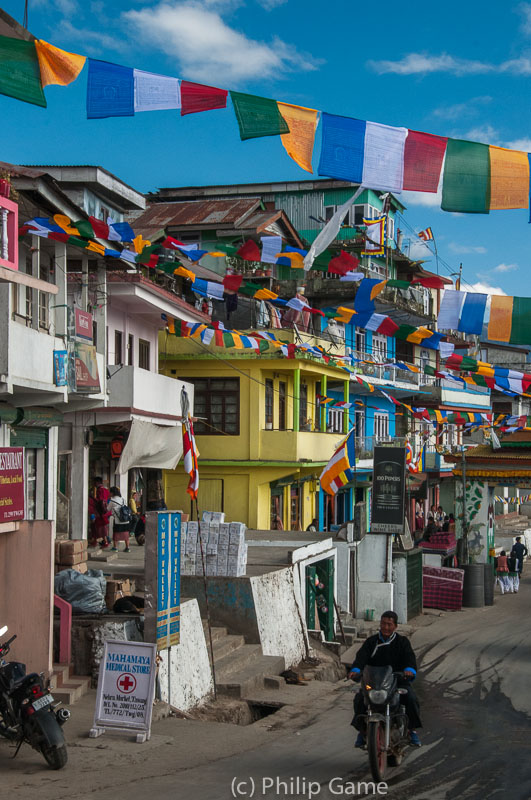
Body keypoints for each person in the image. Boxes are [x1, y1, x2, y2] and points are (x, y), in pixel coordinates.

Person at [348, 610, 422, 748]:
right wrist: (356, 670)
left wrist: (409, 670)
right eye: (383, 624)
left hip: (397, 680)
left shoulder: (402, 642)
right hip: (375, 682)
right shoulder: (371, 642)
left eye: (389, 624)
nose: (385, 627)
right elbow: (361, 657)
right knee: (359, 699)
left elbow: (409, 659)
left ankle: (412, 731)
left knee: (411, 698)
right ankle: (363, 730)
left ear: (395, 626)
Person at [108, 486, 131, 552]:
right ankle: (127, 548)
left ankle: (115, 547)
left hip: (118, 520)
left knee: (116, 533)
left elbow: (108, 509)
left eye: (110, 492)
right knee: (126, 533)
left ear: (112, 493)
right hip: (126, 519)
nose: (109, 493)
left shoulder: (112, 500)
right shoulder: (123, 499)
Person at [93, 477, 111, 548]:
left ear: (97, 482)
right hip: (106, 511)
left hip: (101, 512)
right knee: (104, 527)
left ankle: (104, 541)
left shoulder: (99, 490)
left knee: (100, 527)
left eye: (94, 482)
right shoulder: (106, 490)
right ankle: (104, 540)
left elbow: (100, 501)